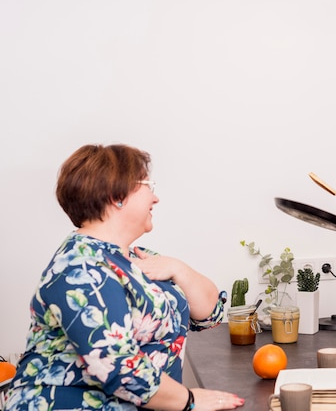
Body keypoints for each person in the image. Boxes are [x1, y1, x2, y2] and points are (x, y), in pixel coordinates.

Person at [6, 144, 245, 411]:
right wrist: (190, 400)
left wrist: (180, 269)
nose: (156, 199)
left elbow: (209, 314)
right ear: (116, 194)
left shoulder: (137, 258)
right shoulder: (80, 267)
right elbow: (117, 366)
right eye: (147, 186)